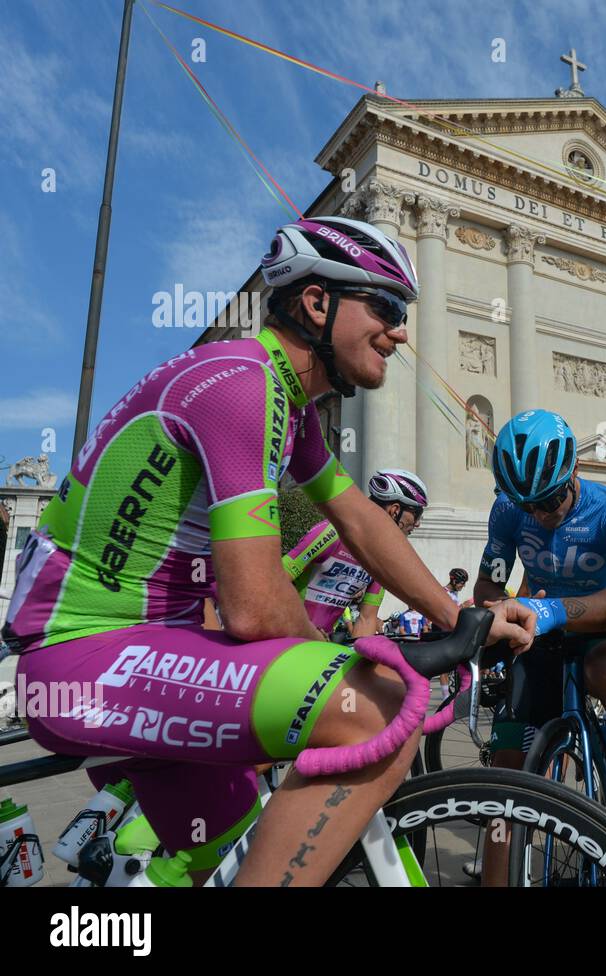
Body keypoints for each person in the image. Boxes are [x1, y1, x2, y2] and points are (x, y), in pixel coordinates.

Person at [3, 215, 535, 885]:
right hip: (83, 656)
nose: (402, 330)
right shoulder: (244, 382)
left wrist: (459, 619)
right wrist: (370, 661)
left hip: (140, 651)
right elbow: (255, 606)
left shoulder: (288, 403)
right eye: (388, 306)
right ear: (317, 302)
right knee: (373, 712)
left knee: (217, 862)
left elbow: (363, 523)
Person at [474, 408, 606, 885]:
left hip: (599, 627)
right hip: (541, 632)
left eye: (548, 499)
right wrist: (491, 610)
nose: (539, 514)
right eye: (528, 505)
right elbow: (490, 583)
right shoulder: (509, 509)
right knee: (507, 777)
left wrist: (554, 609)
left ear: (575, 472)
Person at [282, 468, 428, 639]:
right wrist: (304, 628)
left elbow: (367, 618)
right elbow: (275, 580)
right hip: (286, 635)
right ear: (394, 510)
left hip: (321, 643)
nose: (417, 524)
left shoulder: (383, 557)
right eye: (417, 514)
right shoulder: (333, 533)